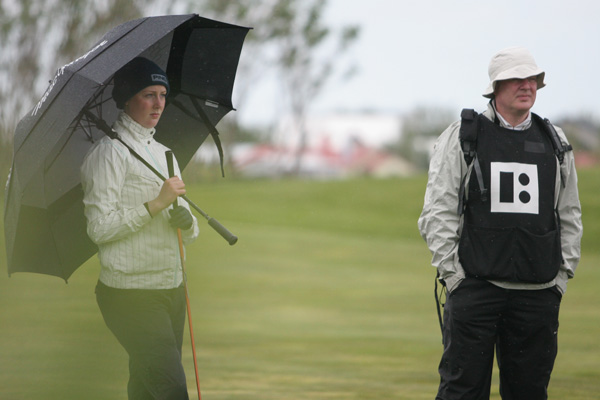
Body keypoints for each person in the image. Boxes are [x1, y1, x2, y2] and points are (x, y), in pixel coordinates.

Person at [418, 47, 582, 399]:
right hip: (475, 290)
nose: (527, 85)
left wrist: (559, 279)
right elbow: (438, 211)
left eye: (532, 78)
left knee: (529, 393)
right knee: (462, 392)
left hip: (538, 294)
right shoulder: (464, 135)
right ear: (496, 86)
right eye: (517, 79)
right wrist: (455, 278)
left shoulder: (555, 140)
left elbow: (569, 213)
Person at [81, 57, 199, 399]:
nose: (158, 103)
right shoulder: (108, 154)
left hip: (172, 290)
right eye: (149, 94)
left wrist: (187, 222)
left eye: (162, 94)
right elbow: (99, 228)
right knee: (171, 390)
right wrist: (155, 205)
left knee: (147, 389)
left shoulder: (165, 153)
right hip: (131, 296)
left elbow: (189, 230)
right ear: (127, 99)